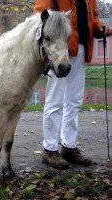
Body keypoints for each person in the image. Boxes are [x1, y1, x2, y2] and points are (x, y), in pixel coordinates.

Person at [33, 0, 112, 169]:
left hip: (82, 49)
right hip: (60, 50)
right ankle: (50, 149)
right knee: (55, 101)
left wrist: (100, 27)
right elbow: (39, 17)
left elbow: (93, 20)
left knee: (74, 102)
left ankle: (69, 147)